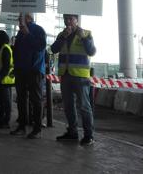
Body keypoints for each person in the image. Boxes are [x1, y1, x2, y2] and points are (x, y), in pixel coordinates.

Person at [51, 14, 96, 146]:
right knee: (68, 106)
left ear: (77, 20)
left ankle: (89, 135)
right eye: (66, 19)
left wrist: (83, 38)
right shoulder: (62, 34)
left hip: (80, 76)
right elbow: (53, 49)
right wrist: (62, 37)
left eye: (71, 19)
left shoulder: (86, 33)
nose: (68, 21)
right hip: (65, 75)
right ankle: (72, 132)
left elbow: (92, 51)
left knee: (84, 106)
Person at [10, 13, 46, 139]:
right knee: (21, 98)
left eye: (21, 18)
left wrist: (28, 34)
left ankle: (37, 129)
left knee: (36, 99)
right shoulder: (20, 32)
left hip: (34, 70)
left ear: (29, 18)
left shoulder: (38, 30)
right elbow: (19, 51)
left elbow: (41, 47)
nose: (19, 20)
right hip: (21, 70)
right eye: (19, 18)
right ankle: (22, 126)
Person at [0, 30, 15, 129]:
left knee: (6, 102)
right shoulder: (1, 48)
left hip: (5, 80)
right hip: (3, 79)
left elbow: (5, 66)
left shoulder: (5, 48)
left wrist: (0, 78)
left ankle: (6, 121)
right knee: (2, 101)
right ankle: (2, 119)